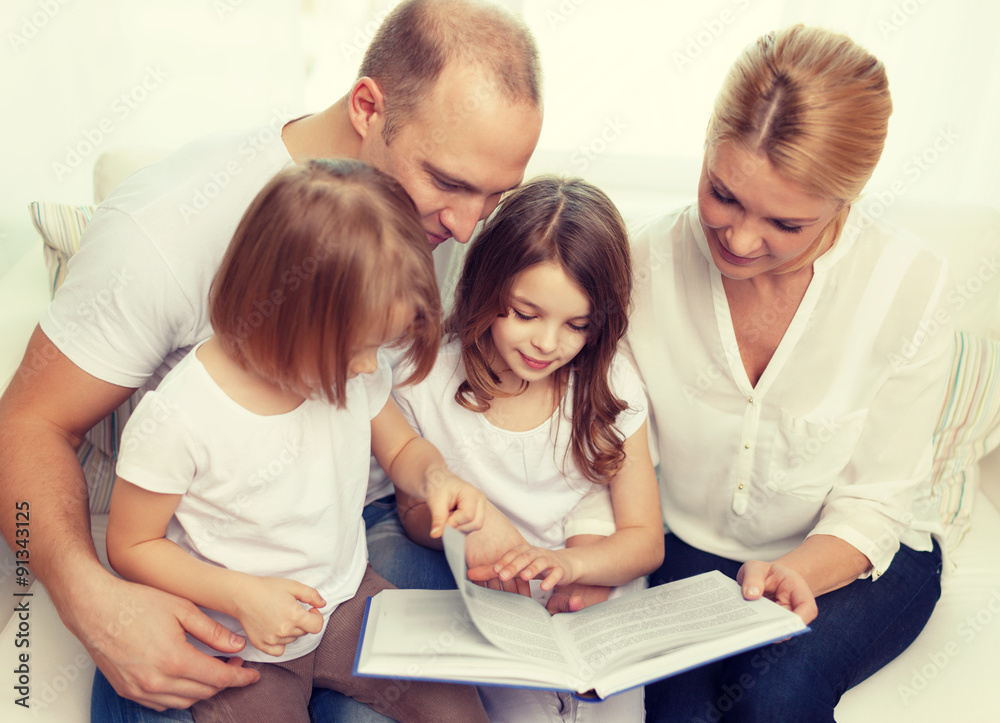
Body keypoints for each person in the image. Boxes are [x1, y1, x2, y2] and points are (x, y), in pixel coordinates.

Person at [0, 0, 542, 720]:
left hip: (350, 556)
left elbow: (394, 424)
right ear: (367, 107)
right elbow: (25, 425)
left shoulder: (434, 235)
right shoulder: (165, 234)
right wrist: (88, 598)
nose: (469, 225)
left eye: (495, 196)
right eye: (448, 182)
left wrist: (441, 490)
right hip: (225, 584)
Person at [624, 26, 952, 722]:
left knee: (777, 695)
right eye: (723, 194)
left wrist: (798, 571)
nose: (740, 240)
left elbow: (879, 499)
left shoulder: (909, 284)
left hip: (860, 560)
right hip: (691, 545)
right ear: (708, 142)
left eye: (785, 222)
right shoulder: (640, 266)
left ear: (846, 201)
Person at [106, 159, 492, 722]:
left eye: (378, 345)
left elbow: (403, 449)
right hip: (241, 641)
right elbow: (132, 545)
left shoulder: (354, 371)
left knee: (457, 706)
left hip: (346, 599)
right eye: (357, 347)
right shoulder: (181, 416)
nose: (367, 367)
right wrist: (240, 595)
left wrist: (437, 478)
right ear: (285, 315)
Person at [391, 177, 665, 722]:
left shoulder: (610, 382)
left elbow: (645, 540)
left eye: (577, 325)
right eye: (524, 313)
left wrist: (571, 565)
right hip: (499, 602)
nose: (546, 343)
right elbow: (414, 513)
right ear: (485, 289)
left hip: (598, 584)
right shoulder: (425, 380)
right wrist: (472, 532)